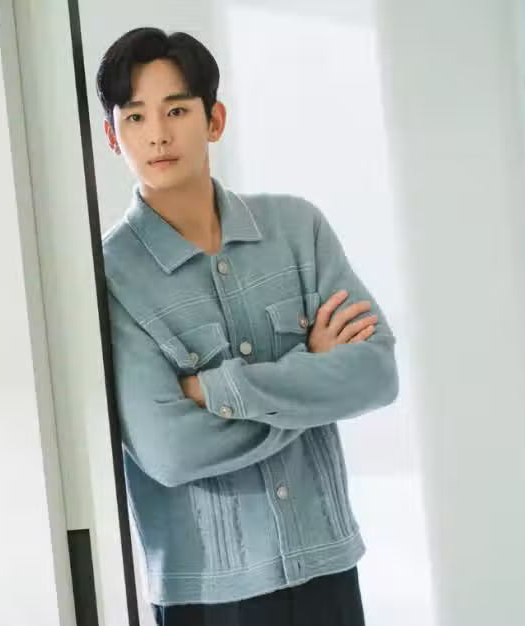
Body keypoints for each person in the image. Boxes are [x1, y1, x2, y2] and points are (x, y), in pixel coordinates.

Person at [97, 27, 399, 626]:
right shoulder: (110, 277)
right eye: (134, 117)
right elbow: (170, 450)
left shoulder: (298, 230)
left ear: (214, 120)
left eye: (176, 110)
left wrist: (219, 389)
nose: (157, 134)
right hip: (209, 598)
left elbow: (376, 374)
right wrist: (311, 381)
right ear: (112, 136)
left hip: (328, 568)